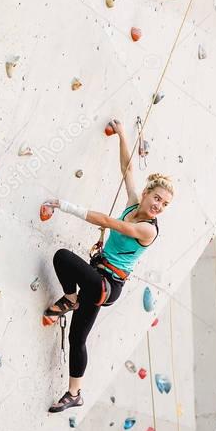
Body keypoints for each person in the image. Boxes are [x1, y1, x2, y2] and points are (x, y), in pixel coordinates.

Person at [40, 119, 174, 413]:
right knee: (77, 337)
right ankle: (75, 393)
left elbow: (107, 222)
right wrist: (123, 135)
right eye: (157, 198)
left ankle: (72, 298)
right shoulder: (133, 201)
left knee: (64, 256)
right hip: (95, 276)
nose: (158, 206)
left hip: (107, 286)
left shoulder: (148, 230)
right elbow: (128, 169)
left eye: (164, 205)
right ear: (149, 193)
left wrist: (63, 205)